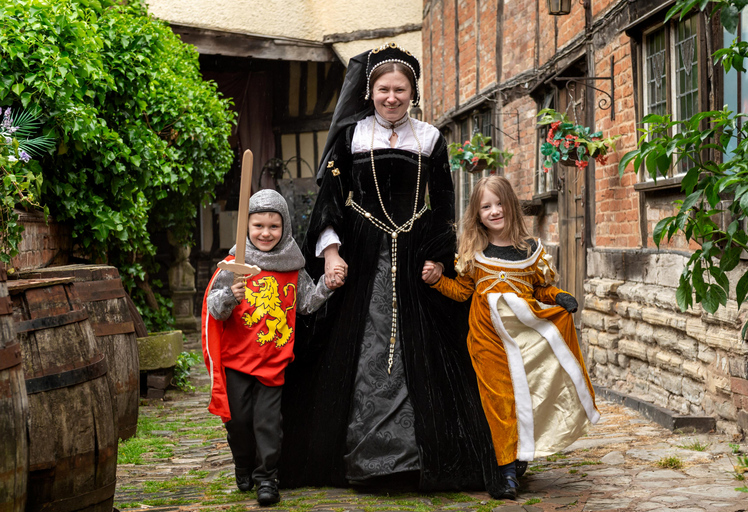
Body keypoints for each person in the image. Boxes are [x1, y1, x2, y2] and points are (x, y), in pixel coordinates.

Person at [279, 43, 508, 498]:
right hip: (361, 256)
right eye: (383, 88)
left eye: (399, 89)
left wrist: (440, 259)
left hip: (415, 251)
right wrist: (331, 253)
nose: (391, 97)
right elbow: (329, 200)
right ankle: (359, 457)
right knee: (359, 350)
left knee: (421, 352)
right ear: (371, 91)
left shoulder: (430, 140)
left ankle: (417, 458)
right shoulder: (350, 137)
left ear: (412, 92)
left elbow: (443, 204)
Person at [421, 176, 601, 500]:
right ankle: (505, 472)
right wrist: (437, 280)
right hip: (486, 339)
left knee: (527, 397)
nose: (494, 211)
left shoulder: (531, 250)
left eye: (499, 203)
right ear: (477, 214)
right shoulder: (474, 252)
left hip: (525, 337)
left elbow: (539, 289)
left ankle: (521, 455)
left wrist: (558, 297)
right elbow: (463, 292)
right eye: (485, 206)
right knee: (499, 400)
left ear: (511, 206)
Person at [201, 189, 342, 506]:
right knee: (238, 421)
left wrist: (326, 286)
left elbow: (304, 304)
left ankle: (267, 478)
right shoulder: (233, 265)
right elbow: (215, 309)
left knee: (267, 424)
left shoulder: (292, 266)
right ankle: (243, 462)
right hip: (237, 360)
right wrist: (230, 297)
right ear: (247, 228)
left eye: (273, 226)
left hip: (273, 361)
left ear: (286, 227)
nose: (266, 233)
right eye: (258, 226)